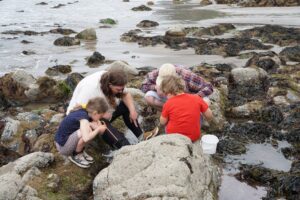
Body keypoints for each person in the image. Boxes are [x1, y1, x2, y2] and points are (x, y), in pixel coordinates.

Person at [66, 69, 143, 141]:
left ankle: (141, 136)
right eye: (118, 90)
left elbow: (125, 94)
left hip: (105, 111)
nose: (120, 91)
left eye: (122, 89)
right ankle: (123, 145)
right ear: (110, 85)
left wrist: (132, 111)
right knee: (111, 131)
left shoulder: (113, 80)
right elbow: (79, 110)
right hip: (85, 117)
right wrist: (101, 115)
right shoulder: (91, 88)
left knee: (127, 106)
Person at [55, 97, 130, 168]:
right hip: (63, 147)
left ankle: (79, 150)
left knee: (90, 128)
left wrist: (95, 124)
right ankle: (76, 155)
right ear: (95, 113)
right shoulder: (83, 119)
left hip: (64, 140)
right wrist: (98, 129)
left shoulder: (85, 111)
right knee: (88, 131)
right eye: (100, 116)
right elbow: (86, 138)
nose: (101, 118)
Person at [159, 75, 213, 142]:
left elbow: (162, 122)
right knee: (199, 114)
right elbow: (209, 116)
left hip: (173, 137)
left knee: (167, 121)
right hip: (193, 137)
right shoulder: (196, 98)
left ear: (169, 93)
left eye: (165, 94)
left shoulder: (168, 103)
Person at [141, 63, 213, 111]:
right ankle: (170, 111)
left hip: (187, 98)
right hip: (169, 100)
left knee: (206, 102)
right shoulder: (155, 74)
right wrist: (156, 88)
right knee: (148, 97)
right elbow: (144, 86)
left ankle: (193, 116)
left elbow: (208, 87)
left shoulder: (186, 76)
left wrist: (194, 98)